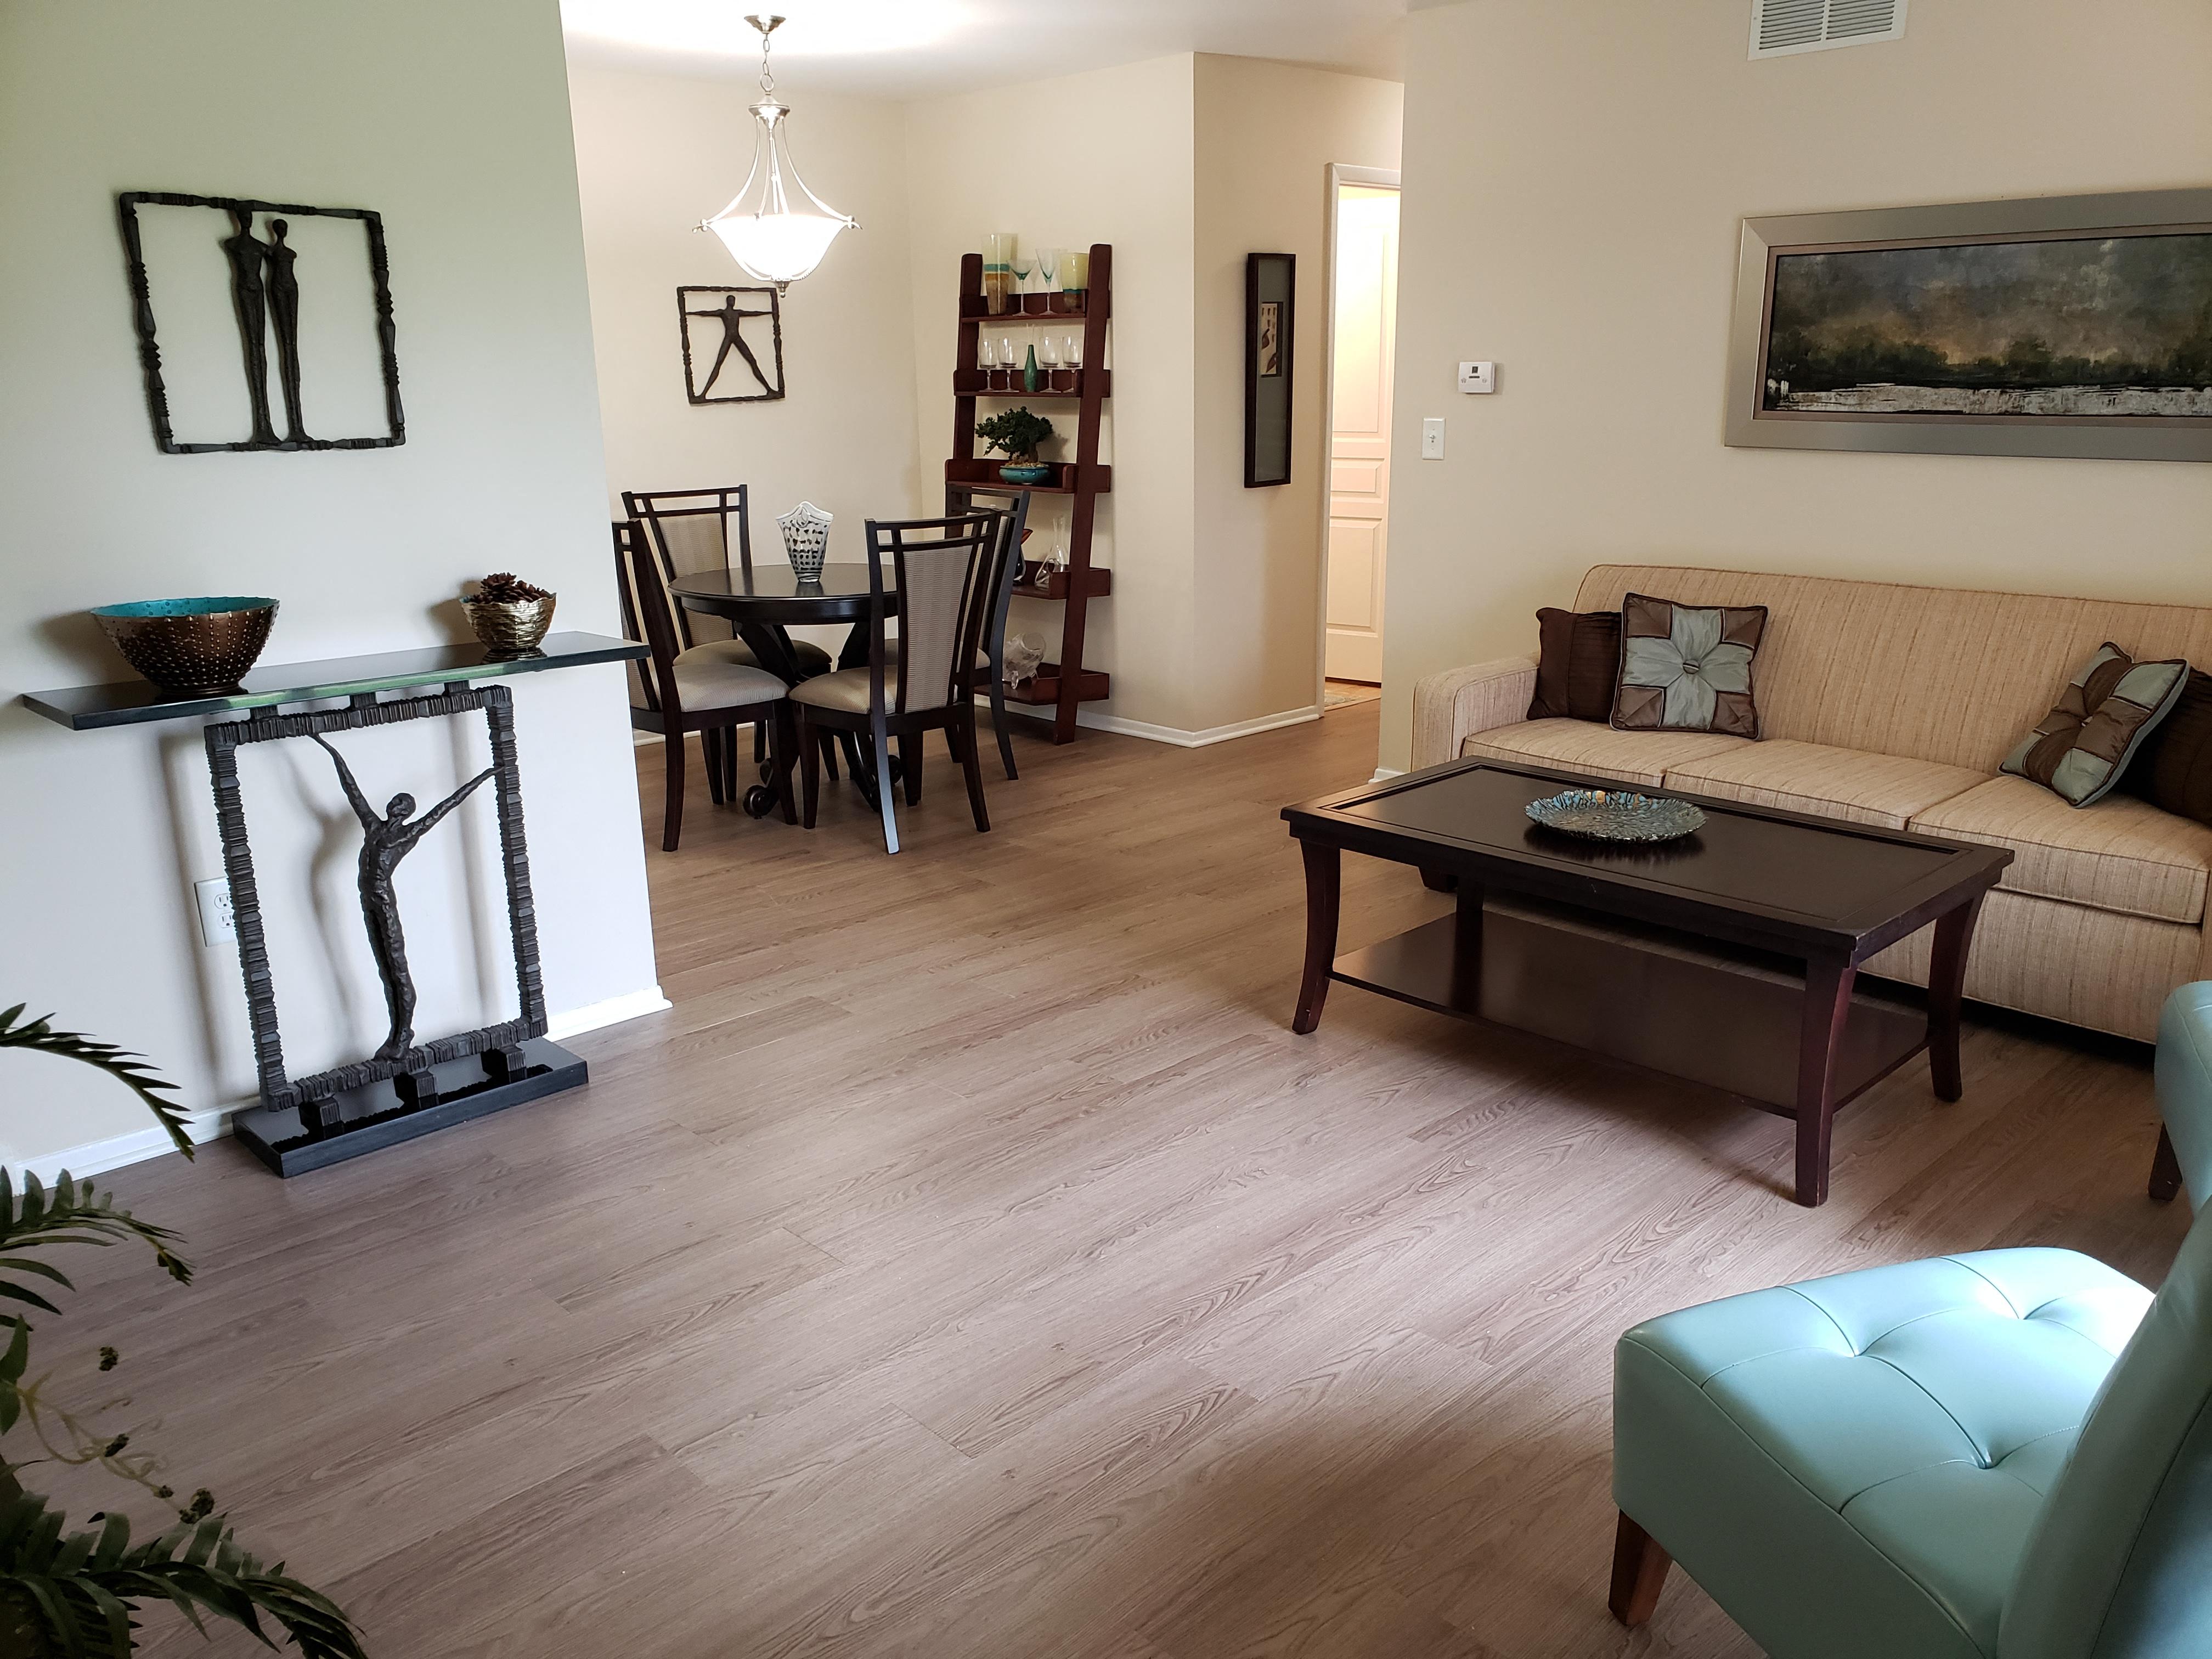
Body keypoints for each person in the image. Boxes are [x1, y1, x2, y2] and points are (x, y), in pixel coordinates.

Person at [313, 736, 495, 1061]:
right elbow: (351, 788)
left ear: (406, 811)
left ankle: (404, 1032)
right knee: (385, 970)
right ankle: (396, 1033)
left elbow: (446, 806)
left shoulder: (407, 833)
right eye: (395, 800)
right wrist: (327, 748)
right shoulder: (373, 826)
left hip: (385, 903)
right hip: (368, 901)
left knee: (397, 969)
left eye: (401, 802)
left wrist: (483, 776)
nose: (394, 803)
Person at [220, 207, 280, 445]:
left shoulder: (262, 247)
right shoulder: (232, 244)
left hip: (258, 288)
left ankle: (269, 426)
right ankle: (263, 424)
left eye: (249, 217)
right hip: (245, 289)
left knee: (262, 346)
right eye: (244, 217)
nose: (247, 219)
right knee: (255, 345)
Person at [265, 218, 308, 444]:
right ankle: (291, 426)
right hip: (277, 287)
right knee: (286, 344)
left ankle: (297, 427)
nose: (283, 231)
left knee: (292, 345)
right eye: (280, 228)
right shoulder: (268, 251)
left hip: (292, 286)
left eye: (285, 228)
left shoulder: (289, 253)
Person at [686, 292, 776, 397]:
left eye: (734, 300)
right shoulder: (723, 313)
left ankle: (769, 389)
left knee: (752, 361)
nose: (733, 302)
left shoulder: (737, 313)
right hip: (729, 338)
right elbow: (706, 313)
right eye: (731, 300)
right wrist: (691, 313)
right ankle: (704, 394)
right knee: (719, 363)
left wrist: (768, 313)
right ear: (728, 302)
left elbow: (753, 313)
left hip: (737, 338)